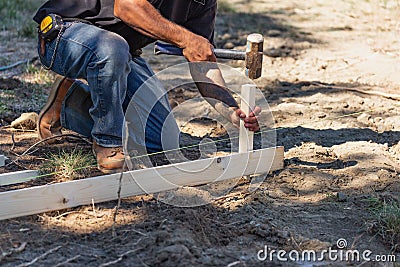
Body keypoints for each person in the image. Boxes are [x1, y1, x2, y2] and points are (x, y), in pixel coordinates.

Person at [33, 0, 260, 174]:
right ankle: (107, 141)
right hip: (66, 35)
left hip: (121, 56)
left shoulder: (202, 3)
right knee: (111, 48)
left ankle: (69, 101)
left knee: (163, 138)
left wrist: (231, 110)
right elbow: (127, 7)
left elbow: (202, 63)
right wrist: (185, 39)